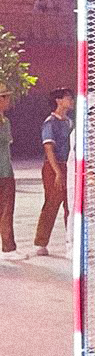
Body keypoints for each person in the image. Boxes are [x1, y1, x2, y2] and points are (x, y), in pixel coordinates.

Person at [31, 86, 74, 257]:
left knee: (70, 205)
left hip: (68, 165)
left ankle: (71, 240)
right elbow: (48, 148)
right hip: (53, 166)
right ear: (58, 100)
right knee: (52, 203)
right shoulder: (50, 122)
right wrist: (57, 172)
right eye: (68, 97)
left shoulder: (69, 122)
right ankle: (40, 242)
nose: (71, 100)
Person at [0, 83, 14, 260]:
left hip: (6, 169)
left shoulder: (6, 121)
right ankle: (8, 248)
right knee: (6, 209)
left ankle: (9, 246)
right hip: (3, 172)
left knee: (7, 210)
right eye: (6, 97)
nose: (9, 101)